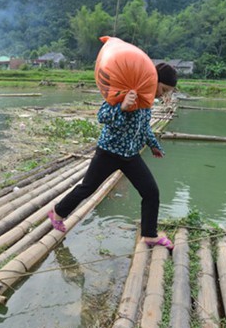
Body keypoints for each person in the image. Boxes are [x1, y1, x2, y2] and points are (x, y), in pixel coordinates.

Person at [48, 62, 178, 249]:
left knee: (151, 192)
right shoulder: (126, 91)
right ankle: (58, 213)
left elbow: (144, 128)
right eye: (163, 89)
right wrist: (122, 107)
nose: (163, 95)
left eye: (168, 92)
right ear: (153, 79)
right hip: (108, 152)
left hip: (131, 155)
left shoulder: (147, 102)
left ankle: (149, 235)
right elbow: (102, 116)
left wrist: (153, 145)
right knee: (87, 188)